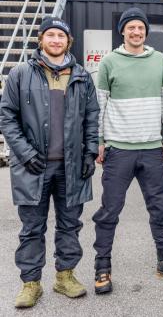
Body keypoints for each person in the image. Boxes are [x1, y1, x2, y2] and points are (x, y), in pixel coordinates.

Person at [0, 17, 99, 308]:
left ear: (69, 42)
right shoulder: (20, 74)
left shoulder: (81, 75)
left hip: (71, 166)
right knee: (32, 227)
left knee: (70, 225)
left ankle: (64, 276)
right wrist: (25, 153)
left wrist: (90, 152)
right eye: (51, 35)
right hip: (32, 166)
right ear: (41, 39)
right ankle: (31, 284)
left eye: (61, 36)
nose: (56, 40)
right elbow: (7, 117)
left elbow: (92, 117)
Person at [92, 7, 163, 294]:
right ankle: (102, 267)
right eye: (131, 27)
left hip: (151, 148)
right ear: (122, 31)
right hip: (118, 149)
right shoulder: (109, 61)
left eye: (140, 27)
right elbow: (100, 104)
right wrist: (98, 140)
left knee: (160, 208)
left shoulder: (158, 59)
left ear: (146, 31)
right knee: (109, 211)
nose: (136, 32)